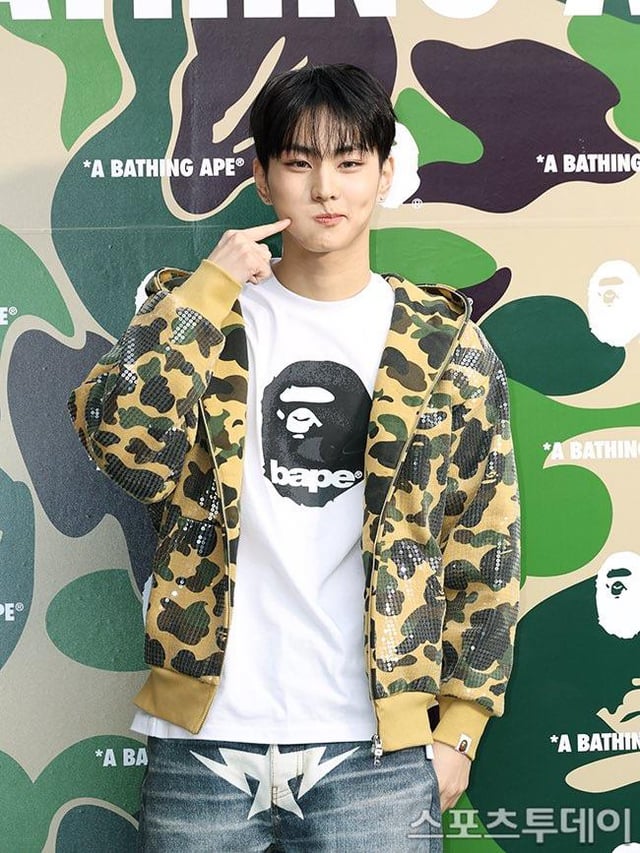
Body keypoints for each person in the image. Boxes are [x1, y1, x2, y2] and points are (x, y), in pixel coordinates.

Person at [69, 63, 520, 852]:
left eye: (349, 162)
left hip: (376, 750)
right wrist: (206, 291)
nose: (325, 188)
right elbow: (120, 445)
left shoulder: (443, 342)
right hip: (203, 742)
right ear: (263, 175)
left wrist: (464, 723)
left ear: (385, 174)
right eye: (300, 162)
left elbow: (486, 540)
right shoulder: (205, 314)